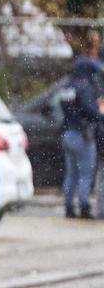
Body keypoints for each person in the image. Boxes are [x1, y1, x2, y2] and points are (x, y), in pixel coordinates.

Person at [58, 30, 104, 218]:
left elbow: (62, 106)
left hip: (67, 133)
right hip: (82, 134)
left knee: (71, 173)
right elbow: (90, 111)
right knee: (86, 172)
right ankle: (84, 205)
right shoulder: (85, 86)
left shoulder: (68, 86)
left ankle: (69, 206)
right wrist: (100, 115)